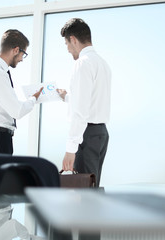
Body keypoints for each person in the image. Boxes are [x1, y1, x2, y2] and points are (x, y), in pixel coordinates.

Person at [57, 18, 111, 188]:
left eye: (66, 44)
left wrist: (70, 149)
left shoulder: (82, 64)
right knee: (91, 191)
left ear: (73, 39)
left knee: (84, 195)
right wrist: (67, 97)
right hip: (100, 133)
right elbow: (92, 100)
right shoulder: (103, 63)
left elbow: (80, 111)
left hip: (86, 135)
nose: (67, 49)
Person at [0, 29, 43, 155]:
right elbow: (17, 111)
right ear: (16, 50)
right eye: (24, 54)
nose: (22, 59)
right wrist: (34, 98)